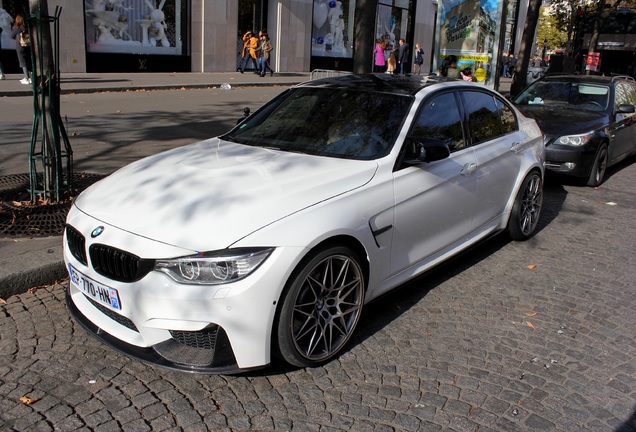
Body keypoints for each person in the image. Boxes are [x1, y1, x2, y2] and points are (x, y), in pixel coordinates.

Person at [11, 14, 31, 84]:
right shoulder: (26, 27)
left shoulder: (16, 28)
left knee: (22, 62)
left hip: (20, 46)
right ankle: (30, 77)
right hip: (28, 45)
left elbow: (12, 36)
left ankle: (26, 78)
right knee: (28, 61)